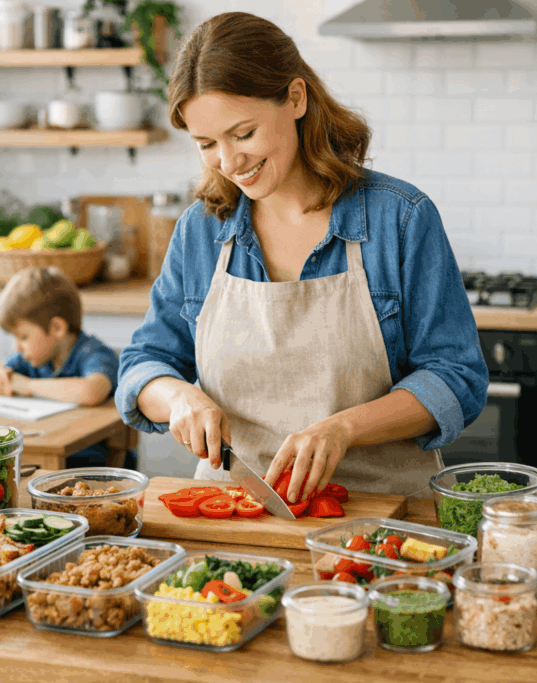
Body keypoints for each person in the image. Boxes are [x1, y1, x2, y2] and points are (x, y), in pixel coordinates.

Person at [116, 12, 488, 501]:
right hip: (234, 511)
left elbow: (455, 377)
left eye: (243, 134)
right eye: (207, 144)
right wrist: (177, 396)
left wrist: (344, 429)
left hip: (381, 517)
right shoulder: (201, 231)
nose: (229, 163)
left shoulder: (399, 219)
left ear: (295, 97)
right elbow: (145, 363)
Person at [0, 266, 132, 469]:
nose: (17, 346)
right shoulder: (33, 356)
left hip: (96, 467)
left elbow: (92, 390)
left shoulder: (95, 353)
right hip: (47, 454)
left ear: (57, 328)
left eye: (23, 337)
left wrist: (28, 385)